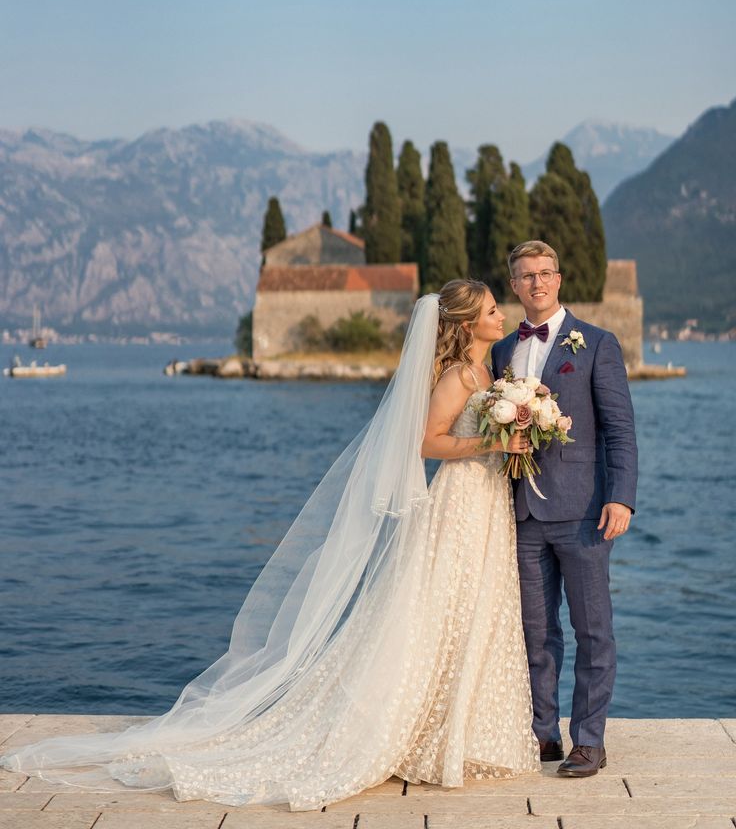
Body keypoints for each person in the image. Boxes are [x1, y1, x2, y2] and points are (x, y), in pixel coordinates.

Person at [1, 279, 540, 809]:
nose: (502, 315)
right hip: (459, 507)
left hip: (488, 505)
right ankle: (417, 736)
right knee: (440, 613)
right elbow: (426, 441)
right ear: (469, 323)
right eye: (493, 309)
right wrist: (491, 439)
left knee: (476, 613)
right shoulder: (456, 375)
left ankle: (460, 737)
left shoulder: (490, 369)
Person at [491, 241, 638, 778]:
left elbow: (620, 429)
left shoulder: (596, 343)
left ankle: (590, 741)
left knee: (592, 628)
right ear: (514, 285)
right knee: (535, 632)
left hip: (584, 514)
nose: (536, 283)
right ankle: (543, 735)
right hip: (522, 513)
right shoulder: (501, 350)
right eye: (526, 275)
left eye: (545, 273)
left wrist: (620, 496)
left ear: (559, 278)